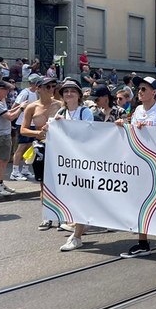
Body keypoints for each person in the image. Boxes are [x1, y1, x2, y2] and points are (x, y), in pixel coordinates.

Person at [117, 76, 156, 257]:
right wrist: (124, 126)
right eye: (139, 89)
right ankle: (143, 242)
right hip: (142, 163)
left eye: (144, 89)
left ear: (154, 92)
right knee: (141, 201)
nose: (140, 92)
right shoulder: (137, 111)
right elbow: (134, 136)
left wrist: (150, 131)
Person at [54, 79, 96, 251]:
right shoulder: (61, 112)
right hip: (66, 162)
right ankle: (83, 224)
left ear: (79, 95)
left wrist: (62, 126)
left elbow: (87, 132)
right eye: (65, 91)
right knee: (73, 197)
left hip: (83, 161)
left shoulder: (85, 112)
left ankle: (77, 236)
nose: (68, 94)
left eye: (72, 91)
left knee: (80, 198)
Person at [20, 77, 62, 229]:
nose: (51, 89)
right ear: (39, 88)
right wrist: (37, 132)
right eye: (48, 87)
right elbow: (23, 129)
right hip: (41, 147)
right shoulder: (32, 107)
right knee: (43, 184)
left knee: (60, 183)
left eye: (53, 87)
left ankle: (61, 217)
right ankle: (47, 217)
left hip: (58, 148)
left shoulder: (60, 105)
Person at [0, 80, 23, 196]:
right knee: (1, 161)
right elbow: (10, 116)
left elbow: (8, 111)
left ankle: (0, 183)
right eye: (5, 90)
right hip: (0, 135)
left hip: (3, 134)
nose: (7, 92)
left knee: (4, 160)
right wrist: (21, 109)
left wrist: (19, 106)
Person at [9, 74, 41, 180]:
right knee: (21, 147)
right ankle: (15, 171)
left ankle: (25, 170)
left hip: (32, 124)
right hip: (22, 123)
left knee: (30, 147)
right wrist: (12, 118)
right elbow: (15, 105)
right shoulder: (25, 93)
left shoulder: (36, 94)